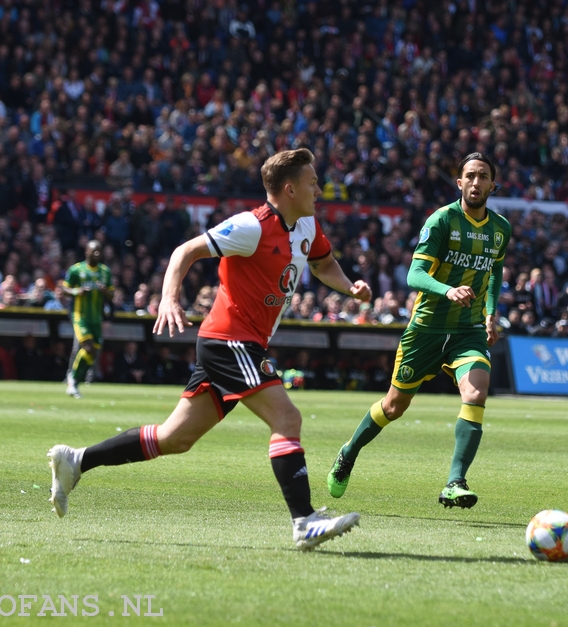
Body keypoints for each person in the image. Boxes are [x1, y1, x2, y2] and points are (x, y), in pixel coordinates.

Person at [47, 148, 372, 550]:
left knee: (174, 438)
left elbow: (323, 265)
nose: (319, 189)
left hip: (239, 344)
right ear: (289, 189)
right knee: (287, 418)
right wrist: (168, 298)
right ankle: (304, 521)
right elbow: (185, 251)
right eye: (312, 182)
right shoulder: (250, 227)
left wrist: (350, 286)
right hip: (229, 340)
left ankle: (75, 461)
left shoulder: (307, 225)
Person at [327, 152, 510, 510]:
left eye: (482, 176)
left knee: (476, 392)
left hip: (467, 331)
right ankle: (348, 453)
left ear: (492, 184)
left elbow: (495, 272)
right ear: (459, 183)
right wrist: (448, 290)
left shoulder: (500, 228)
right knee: (394, 407)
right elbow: (414, 275)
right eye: (469, 176)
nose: (475, 182)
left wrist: (490, 313)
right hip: (426, 330)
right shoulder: (442, 221)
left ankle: (455, 481)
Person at [63, 240, 113, 398]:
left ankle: (75, 379)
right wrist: (77, 291)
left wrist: (105, 291)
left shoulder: (105, 271)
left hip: (96, 318)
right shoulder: (76, 270)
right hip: (80, 316)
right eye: (94, 251)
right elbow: (64, 288)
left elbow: (112, 294)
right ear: (87, 252)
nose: (97, 254)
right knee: (87, 347)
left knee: (93, 353)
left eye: (99, 251)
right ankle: (72, 378)